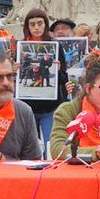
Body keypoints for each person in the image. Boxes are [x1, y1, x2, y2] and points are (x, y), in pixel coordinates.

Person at [19, 9, 67, 150]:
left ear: (45, 25)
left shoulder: (56, 46)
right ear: (27, 27)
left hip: (49, 108)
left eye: (40, 23)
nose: (36, 27)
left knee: (50, 146)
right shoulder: (19, 47)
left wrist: (57, 71)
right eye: (32, 24)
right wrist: (14, 70)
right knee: (29, 148)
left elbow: (64, 78)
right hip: (27, 107)